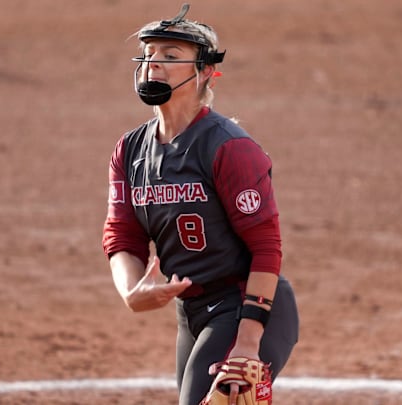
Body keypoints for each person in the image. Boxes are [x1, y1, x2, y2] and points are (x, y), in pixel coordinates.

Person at [102, 4, 299, 405]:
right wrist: (131, 290)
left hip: (245, 306)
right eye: (149, 53)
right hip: (192, 314)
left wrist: (247, 342)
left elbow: (266, 246)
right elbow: (122, 235)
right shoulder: (130, 150)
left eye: (171, 56)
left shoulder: (228, 147)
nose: (153, 64)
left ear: (206, 70)